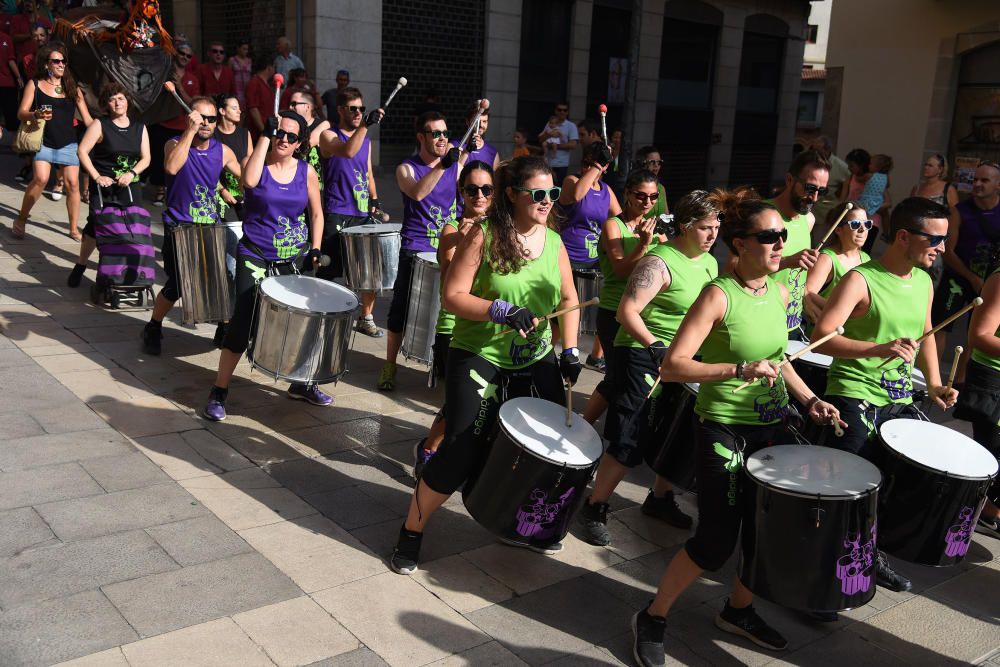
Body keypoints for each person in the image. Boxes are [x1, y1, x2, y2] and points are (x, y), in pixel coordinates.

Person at [631, 190, 843, 666]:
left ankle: (738, 610)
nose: (778, 244)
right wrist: (736, 370)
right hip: (724, 429)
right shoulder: (717, 295)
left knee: (766, 532)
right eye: (768, 237)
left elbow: (779, 361)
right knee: (715, 540)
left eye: (782, 236)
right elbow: (673, 367)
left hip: (773, 428)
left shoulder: (781, 290)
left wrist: (810, 400)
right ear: (740, 244)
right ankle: (654, 614)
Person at [390, 155, 583, 574]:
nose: (548, 201)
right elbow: (454, 296)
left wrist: (569, 350)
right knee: (461, 449)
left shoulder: (553, 240)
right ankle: (412, 530)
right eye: (539, 194)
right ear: (512, 194)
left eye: (552, 193)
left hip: (535, 357)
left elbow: (569, 298)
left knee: (548, 450)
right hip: (480, 355)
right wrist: (499, 309)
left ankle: (524, 525)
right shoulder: (484, 234)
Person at [813, 196, 958, 594]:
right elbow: (821, 337)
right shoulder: (861, 280)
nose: (942, 248)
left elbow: (927, 332)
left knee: (899, 485)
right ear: (904, 237)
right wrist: (876, 349)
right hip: (853, 394)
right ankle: (822, 576)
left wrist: (933, 382)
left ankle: (868, 554)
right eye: (935, 239)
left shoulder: (925, 281)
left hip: (897, 397)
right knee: (849, 492)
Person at [578, 189, 720, 547]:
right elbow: (627, 311)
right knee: (630, 437)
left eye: (716, 226)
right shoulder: (658, 262)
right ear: (686, 227)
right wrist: (654, 345)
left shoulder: (709, 262)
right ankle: (594, 505)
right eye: (706, 227)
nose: (714, 234)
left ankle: (659, 499)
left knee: (678, 430)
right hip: (642, 351)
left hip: (683, 357)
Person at [203, 111, 325, 420]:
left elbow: (316, 214)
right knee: (242, 322)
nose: (283, 139)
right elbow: (248, 180)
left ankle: (300, 383)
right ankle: (219, 390)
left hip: (291, 258)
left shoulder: (306, 171)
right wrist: (263, 137)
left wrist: (316, 247)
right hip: (256, 254)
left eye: (291, 136)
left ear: (300, 143)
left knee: (300, 325)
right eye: (279, 132)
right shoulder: (259, 162)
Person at [140, 97, 242, 356]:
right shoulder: (174, 143)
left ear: (217, 122)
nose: (205, 123)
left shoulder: (223, 151)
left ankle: (224, 327)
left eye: (210, 119)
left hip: (210, 226)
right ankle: (153, 326)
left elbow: (248, 179)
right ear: (190, 118)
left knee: (220, 281)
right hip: (179, 226)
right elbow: (172, 167)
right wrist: (189, 131)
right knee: (177, 284)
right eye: (200, 118)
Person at [413, 160, 493, 478]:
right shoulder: (450, 230)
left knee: (480, 399)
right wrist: (462, 245)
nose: (479, 195)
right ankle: (429, 449)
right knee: (459, 403)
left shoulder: (500, 229)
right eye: (472, 189)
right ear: (461, 192)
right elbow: (448, 286)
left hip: (491, 326)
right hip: (454, 327)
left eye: (486, 189)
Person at [378, 111, 460, 391]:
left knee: (447, 310)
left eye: (445, 133)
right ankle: (390, 365)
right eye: (435, 133)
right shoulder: (406, 168)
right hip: (415, 247)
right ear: (421, 137)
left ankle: (442, 364)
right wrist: (441, 166)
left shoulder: (456, 166)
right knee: (399, 309)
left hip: (448, 247)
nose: (441, 138)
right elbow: (417, 194)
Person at [580, 168, 657, 423]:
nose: (647, 202)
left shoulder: (655, 225)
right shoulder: (613, 225)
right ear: (627, 194)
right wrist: (644, 245)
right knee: (616, 376)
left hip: (642, 313)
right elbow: (620, 269)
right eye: (641, 196)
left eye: (654, 197)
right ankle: (584, 424)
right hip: (614, 311)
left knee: (626, 375)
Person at [734, 150, 828, 340]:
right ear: (789, 180)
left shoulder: (808, 220)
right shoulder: (761, 216)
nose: (815, 198)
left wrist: (807, 296)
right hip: (759, 321)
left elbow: (794, 278)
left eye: (821, 191)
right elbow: (732, 268)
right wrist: (786, 261)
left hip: (792, 324)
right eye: (810, 188)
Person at [316, 86, 385, 337]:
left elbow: (367, 173)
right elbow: (347, 151)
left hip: (361, 211)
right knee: (330, 270)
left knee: (370, 270)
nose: (358, 113)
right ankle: (323, 316)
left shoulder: (364, 140)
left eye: (361, 109)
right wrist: (366, 125)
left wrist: (375, 200)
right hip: (336, 210)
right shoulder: (328, 135)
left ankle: (365, 317)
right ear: (340, 110)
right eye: (353, 109)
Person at [67, 82, 150, 286]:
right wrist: (96, 177)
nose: (117, 103)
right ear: (107, 104)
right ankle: (81, 264)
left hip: (130, 186)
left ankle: (123, 271)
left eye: (121, 98)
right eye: (112, 99)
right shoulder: (100, 124)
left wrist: (131, 173)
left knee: (131, 228)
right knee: (97, 227)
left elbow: (146, 158)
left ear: (128, 102)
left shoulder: (140, 128)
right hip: (104, 187)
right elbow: (82, 152)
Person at [10, 43, 92, 240]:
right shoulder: (35, 84)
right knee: (41, 179)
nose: (61, 64)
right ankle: (21, 218)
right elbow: (21, 113)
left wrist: (102, 131)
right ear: (47, 64)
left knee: (73, 184)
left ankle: (73, 229)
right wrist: (35, 114)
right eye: (56, 61)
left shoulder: (73, 88)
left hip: (68, 142)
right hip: (44, 141)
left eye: (63, 61)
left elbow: (87, 119)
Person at [557, 141, 622, 373]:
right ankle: (552, 355)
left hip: (595, 261)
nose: (591, 169)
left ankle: (595, 356)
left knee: (597, 314)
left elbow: (620, 218)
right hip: (569, 259)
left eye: (596, 165)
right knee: (564, 317)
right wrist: (597, 164)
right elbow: (576, 195)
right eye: (587, 164)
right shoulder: (572, 181)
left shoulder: (606, 191)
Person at [932, 161, 1000, 358]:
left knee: (979, 331)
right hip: (958, 278)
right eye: (975, 179)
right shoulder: (959, 211)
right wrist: (972, 278)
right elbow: (948, 251)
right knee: (940, 326)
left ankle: (962, 381)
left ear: (998, 185)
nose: (977, 184)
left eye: (984, 180)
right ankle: (932, 381)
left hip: (990, 281)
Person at [957, 261, 1000, 539]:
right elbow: (980, 334)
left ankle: (988, 512)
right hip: (992, 380)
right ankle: (982, 511)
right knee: (993, 454)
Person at [803, 201, 870, 322]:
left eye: (867, 224)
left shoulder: (866, 259)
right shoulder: (827, 258)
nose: (862, 229)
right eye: (855, 224)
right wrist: (842, 310)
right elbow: (807, 292)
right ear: (838, 230)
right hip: (826, 329)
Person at [149, 44, 199, 207]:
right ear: (176, 54)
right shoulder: (164, 74)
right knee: (159, 158)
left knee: (180, 160)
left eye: (188, 56)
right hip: (163, 123)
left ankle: (176, 191)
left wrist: (179, 85)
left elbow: (193, 103)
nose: (184, 57)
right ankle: (159, 191)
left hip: (182, 126)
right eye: (182, 54)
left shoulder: (193, 78)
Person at [809, 136, 850, 226]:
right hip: (809, 211)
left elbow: (850, 184)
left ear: (827, 150)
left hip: (826, 213)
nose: (814, 153)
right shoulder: (809, 161)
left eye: (817, 151)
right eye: (812, 149)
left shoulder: (841, 166)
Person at [537, 102, 578, 183]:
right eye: (559, 110)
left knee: (558, 187)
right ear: (555, 111)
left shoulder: (571, 126)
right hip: (548, 162)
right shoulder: (549, 124)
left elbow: (573, 145)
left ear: (567, 112)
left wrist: (554, 146)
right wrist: (548, 135)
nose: (562, 112)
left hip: (562, 164)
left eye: (564, 110)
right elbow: (540, 140)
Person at [452, 102, 499, 169]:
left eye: (484, 121)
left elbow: (495, 178)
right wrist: (467, 151)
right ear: (467, 121)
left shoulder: (493, 153)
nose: (481, 125)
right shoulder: (453, 146)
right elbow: (451, 174)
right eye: (477, 122)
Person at [245, 55, 275, 142]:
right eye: (274, 67)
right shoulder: (254, 83)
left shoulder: (266, 84)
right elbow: (253, 109)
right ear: (269, 68)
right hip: (257, 134)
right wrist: (263, 131)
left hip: (267, 131)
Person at [634, 146, 668, 219]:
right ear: (641, 164)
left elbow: (666, 215)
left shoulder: (661, 188)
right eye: (652, 162)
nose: (656, 165)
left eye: (659, 162)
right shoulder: (634, 188)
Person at [0, 27, 21, 133]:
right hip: (7, 83)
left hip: (6, 83)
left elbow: (10, 60)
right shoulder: (6, 38)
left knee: (11, 116)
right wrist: (19, 77)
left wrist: (18, 77)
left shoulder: (6, 38)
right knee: (11, 116)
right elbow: (11, 60)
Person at [228, 40, 251, 108]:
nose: (246, 51)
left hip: (247, 89)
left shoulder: (249, 61)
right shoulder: (232, 60)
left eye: (247, 49)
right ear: (238, 48)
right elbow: (228, 75)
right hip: (236, 90)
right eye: (244, 49)